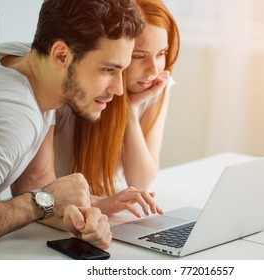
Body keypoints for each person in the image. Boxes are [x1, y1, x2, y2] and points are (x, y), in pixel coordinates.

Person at [0, 0, 145, 250]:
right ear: (61, 55)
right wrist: (42, 203)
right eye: (107, 70)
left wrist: (73, 214)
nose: (118, 89)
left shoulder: (17, 57)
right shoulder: (14, 117)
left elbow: (34, 180)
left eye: (121, 71)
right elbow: (38, 196)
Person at [54, 0, 180, 218]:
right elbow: (38, 186)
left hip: (108, 215)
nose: (153, 70)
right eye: (139, 56)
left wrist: (130, 110)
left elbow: (142, 180)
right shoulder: (72, 90)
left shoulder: (156, 87)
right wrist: (101, 203)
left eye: (161, 53)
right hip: (60, 215)